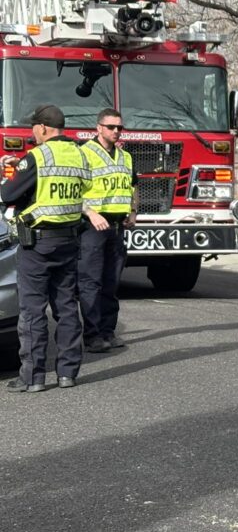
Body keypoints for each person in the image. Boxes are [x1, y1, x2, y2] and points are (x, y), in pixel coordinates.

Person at [2, 104, 90, 392]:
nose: (33, 132)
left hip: (38, 244)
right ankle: (67, 374)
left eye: (33, 127)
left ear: (42, 128)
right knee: (66, 308)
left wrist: (13, 174)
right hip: (69, 239)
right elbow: (80, 188)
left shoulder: (37, 156)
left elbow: (8, 194)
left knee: (32, 311)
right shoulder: (79, 154)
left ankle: (33, 378)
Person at [78, 108, 137, 353]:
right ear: (98, 128)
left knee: (111, 282)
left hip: (117, 226)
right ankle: (92, 336)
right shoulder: (83, 154)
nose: (116, 131)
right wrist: (91, 213)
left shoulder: (125, 156)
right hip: (92, 226)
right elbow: (74, 191)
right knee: (90, 282)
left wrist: (133, 212)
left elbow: (133, 186)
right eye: (111, 127)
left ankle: (107, 332)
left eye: (119, 127)